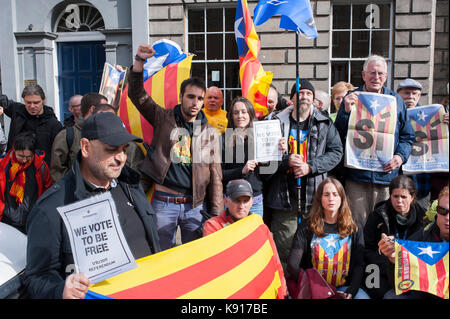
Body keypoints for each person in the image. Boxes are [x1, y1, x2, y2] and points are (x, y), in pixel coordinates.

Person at [23, 112, 161, 299]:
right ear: (86, 147)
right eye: (111, 149)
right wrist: (60, 290)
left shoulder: (131, 187)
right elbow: (36, 277)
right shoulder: (51, 208)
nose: (121, 158)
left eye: (124, 149)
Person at [128, 44, 223, 251]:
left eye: (200, 98)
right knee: (160, 257)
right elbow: (136, 94)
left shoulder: (210, 132)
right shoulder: (163, 118)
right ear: (181, 97)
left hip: (195, 206)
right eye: (191, 97)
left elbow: (216, 176)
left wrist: (216, 215)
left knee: (194, 259)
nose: (195, 102)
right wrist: (139, 61)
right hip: (164, 203)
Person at [263, 79, 343, 270]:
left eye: (309, 93)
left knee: (313, 250)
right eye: (300, 93)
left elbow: (336, 152)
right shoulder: (274, 122)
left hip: (313, 197)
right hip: (284, 198)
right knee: (283, 249)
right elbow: (264, 161)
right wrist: (285, 160)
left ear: (314, 99)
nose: (305, 96)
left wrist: (310, 167)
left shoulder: (325, 122)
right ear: (291, 99)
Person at [334, 55, 415, 227]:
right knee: (356, 225)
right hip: (357, 177)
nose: (376, 77)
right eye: (372, 73)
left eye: (380, 73)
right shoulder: (351, 97)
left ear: (386, 76)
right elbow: (337, 135)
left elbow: (408, 136)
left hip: (386, 177)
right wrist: (346, 112)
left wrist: (400, 157)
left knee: (384, 225)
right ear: (363, 75)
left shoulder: (396, 101)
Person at [202, 179, 288, 298]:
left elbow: (275, 262)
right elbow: (214, 266)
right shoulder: (212, 226)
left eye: (245, 200)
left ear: (252, 201)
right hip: (227, 289)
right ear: (226, 201)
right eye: (237, 201)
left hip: (256, 288)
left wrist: (283, 292)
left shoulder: (260, 227)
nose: (241, 206)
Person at [287, 178, 369, 299]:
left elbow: (359, 265)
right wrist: (316, 287)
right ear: (320, 198)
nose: (331, 198)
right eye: (326, 194)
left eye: (335, 194)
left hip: (344, 288)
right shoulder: (306, 227)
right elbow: (292, 264)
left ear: (341, 198)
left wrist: (351, 291)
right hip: (314, 288)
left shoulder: (354, 227)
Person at [363, 175, 425, 299]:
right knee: (376, 290)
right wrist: (390, 263)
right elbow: (367, 250)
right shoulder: (377, 215)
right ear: (390, 196)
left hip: (413, 272)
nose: (399, 201)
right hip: (382, 269)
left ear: (412, 197)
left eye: (404, 197)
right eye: (395, 196)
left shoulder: (424, 218)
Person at [222, 97, 286, 218]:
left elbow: (267, 175)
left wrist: (278, 154)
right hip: (231, 202)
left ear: (250, 114)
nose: (240, 115)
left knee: (254, 236)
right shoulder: (223, 140)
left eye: (244, 112)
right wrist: (241, 171)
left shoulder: (260, 138)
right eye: (236, 112)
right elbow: (219, 174)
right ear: (231, 116)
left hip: (254, 201)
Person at [383, 185, 449, 299]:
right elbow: (402, 287)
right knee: (392, 296)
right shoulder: (422, 236)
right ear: (437, 212)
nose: (447, 217)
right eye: (442, 210)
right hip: (426, 295)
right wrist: (394, 261)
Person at [0, 132, 52, 234]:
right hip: (7, 221)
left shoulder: (40, 167)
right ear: (14, 149)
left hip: (32, 221)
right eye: (20, 156)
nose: (24, 160)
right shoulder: (3, 166)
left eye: (29, 157)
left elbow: (47, 192)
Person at [50, 93, 107, 182]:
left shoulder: (108, 132)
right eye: (104, 108)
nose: (108, 112)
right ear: (92, 109)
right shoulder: (66, 135)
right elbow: (57, 170)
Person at [0, 84, 63, 165]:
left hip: (40, 170)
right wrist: (3, 100)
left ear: (43, 100)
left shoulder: (53, 124)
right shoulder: (18, 111)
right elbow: (5, 102)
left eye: (36, 103)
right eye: (28, 102)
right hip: (14, 167)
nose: (32, 106)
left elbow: (59, 153)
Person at [396, 78, 431, 211]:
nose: (410, 96)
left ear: (419, 96)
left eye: (414, 93)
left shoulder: (431, 116)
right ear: (399, 94)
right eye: (407, 93)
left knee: (421, 219)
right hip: (397, 173)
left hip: (421, 180)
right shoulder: (391, 114)